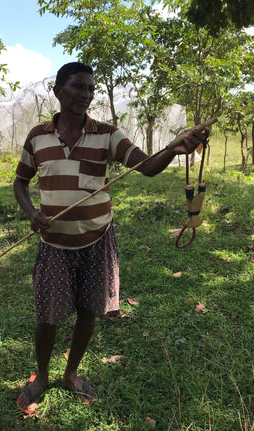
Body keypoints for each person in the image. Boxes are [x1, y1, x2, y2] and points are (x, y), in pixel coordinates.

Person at [13, 62, 209, 414]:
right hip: (54, 247)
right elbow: (20, 182)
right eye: (77, 87)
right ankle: (41, 376)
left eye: (90, 89)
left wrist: (175, 148)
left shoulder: (108, 134)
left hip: (96, 242)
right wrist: (31, 214)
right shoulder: (37, 136)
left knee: (88, 311)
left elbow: (146, 166)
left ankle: (71, 374)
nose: (85, 95)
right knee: (47, 318)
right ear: (58, 92)